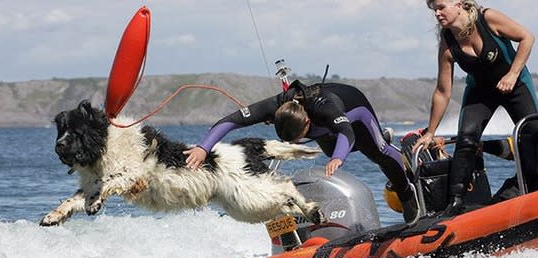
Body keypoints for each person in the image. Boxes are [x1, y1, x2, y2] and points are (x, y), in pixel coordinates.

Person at [184, 80, 421, 224]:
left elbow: (346, 132)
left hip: (353, 111)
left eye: (298, 138)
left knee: (376, 151)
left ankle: (406, 192)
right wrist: (203, 148)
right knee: (330, 152)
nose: (297, 142)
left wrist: (340, 157)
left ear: (307, 122)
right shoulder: (275, 107)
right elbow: (231, 120)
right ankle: (351, 147)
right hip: (325, 129)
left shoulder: (324, 110)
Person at [413, 0, 538, 216]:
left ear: (459, 4)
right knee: (466, 139)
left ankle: (530, 185)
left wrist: (513, 73)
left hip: (515, 83)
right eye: (434, 10)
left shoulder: (488, 18)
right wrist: (430, 132)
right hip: (481, 91)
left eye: (441, 7)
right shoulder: (447, 42)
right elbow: (443, 91)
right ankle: (455, 202)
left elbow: (527, 37)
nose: (437, 14)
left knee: (532, 133)